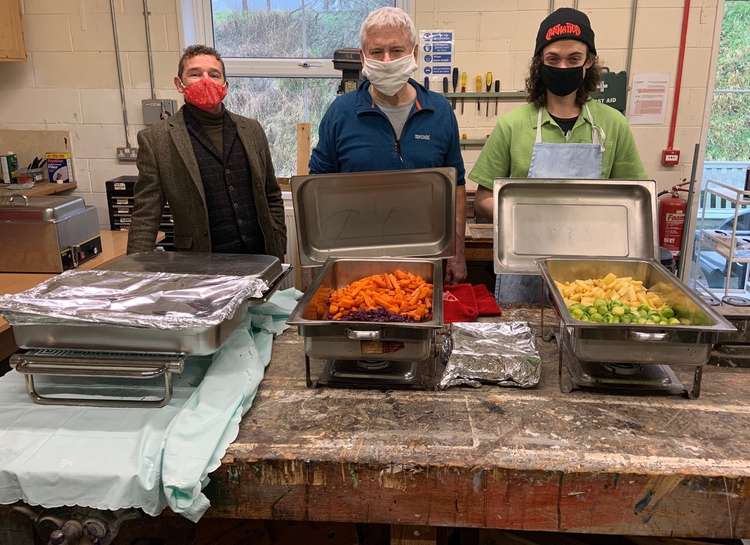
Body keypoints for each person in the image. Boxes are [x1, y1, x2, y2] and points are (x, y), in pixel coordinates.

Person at [469, 8, 647, 304]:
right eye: (553, 59)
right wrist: (527, 213)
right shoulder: (513, 125)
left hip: (595, 274)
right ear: (540, 62)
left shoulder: (613, 125)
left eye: (573, 59)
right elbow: (484, 199)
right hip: (524, 265)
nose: (563, 66)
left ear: (589, 61)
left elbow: (635, 199)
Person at [309, 7, 467, 283]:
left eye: (396, 51)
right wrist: (321, 263)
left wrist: (457, 253)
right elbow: (317, 190)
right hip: (355, 263)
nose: (386, 60)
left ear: (413, 53)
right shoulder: (341, 113)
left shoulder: (439, 111)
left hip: (424, 262)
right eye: (376, 52)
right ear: (362, 57)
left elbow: (457, 187)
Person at [127, 45, 287, 259]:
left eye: (214, 74)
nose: (206, 80)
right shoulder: (157, 139)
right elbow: (146, 214)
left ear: (225, 85)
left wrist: (278, 240)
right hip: (202, 262)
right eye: (195, 74)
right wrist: (134, 269)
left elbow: (271, 194)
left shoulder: (251, 129)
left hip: (260, 256)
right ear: (179, 84)